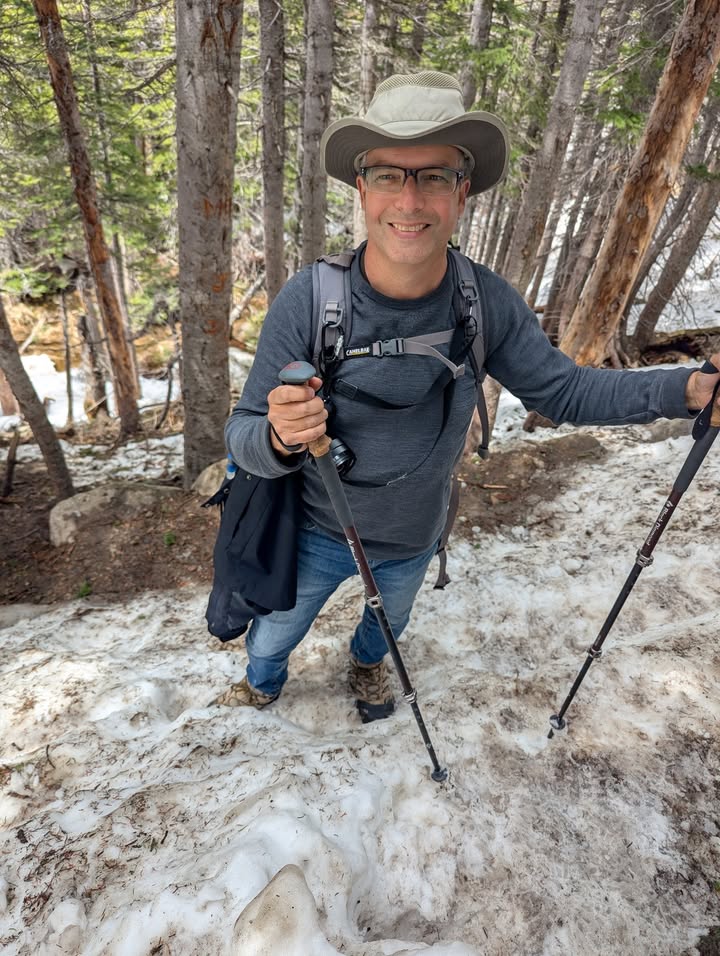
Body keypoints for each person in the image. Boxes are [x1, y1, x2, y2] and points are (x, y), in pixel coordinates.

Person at [215, 70, 720, 719]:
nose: (410, 198)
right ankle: (263, 677)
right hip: (313, 527)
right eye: (390, 175)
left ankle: (369, 664)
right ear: (363, 189)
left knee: (387, 624)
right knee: (278, 630)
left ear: (462, 191)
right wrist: (280, 434)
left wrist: (689, 388)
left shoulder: (485, 304)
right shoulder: (308, 302)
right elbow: (244, 436)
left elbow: (565, 392)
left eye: (433, 175)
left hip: (412, 534)